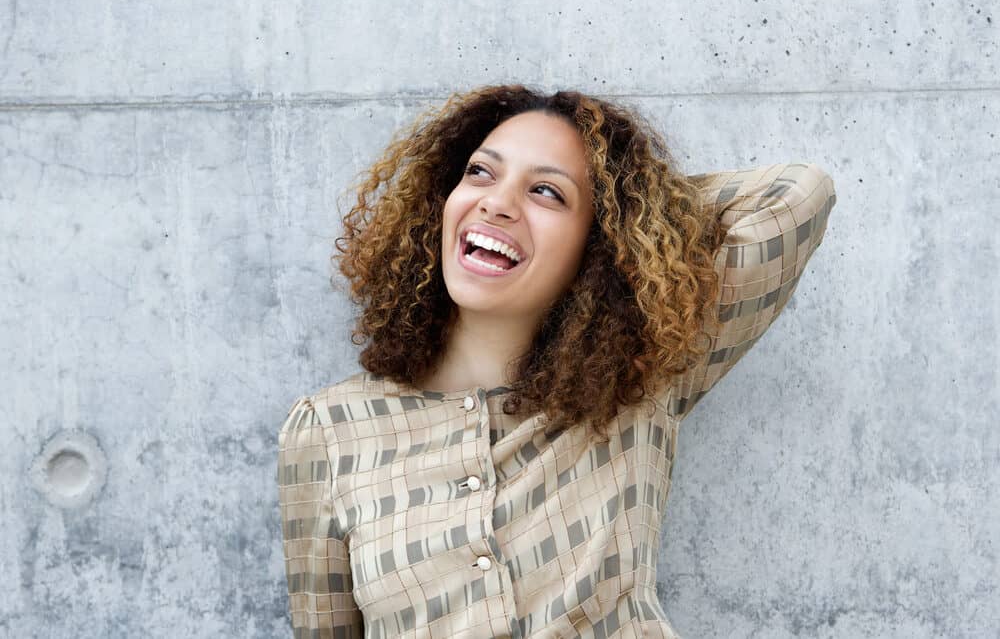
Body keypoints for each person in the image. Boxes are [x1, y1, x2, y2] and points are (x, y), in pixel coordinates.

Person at [276, 84, 837, 638]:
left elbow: (797, 196)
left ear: (601, 244)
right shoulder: (329, 431)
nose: (496, 203)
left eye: (546, 192)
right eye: (479, 173)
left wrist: (634, 214)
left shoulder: (640, 380)